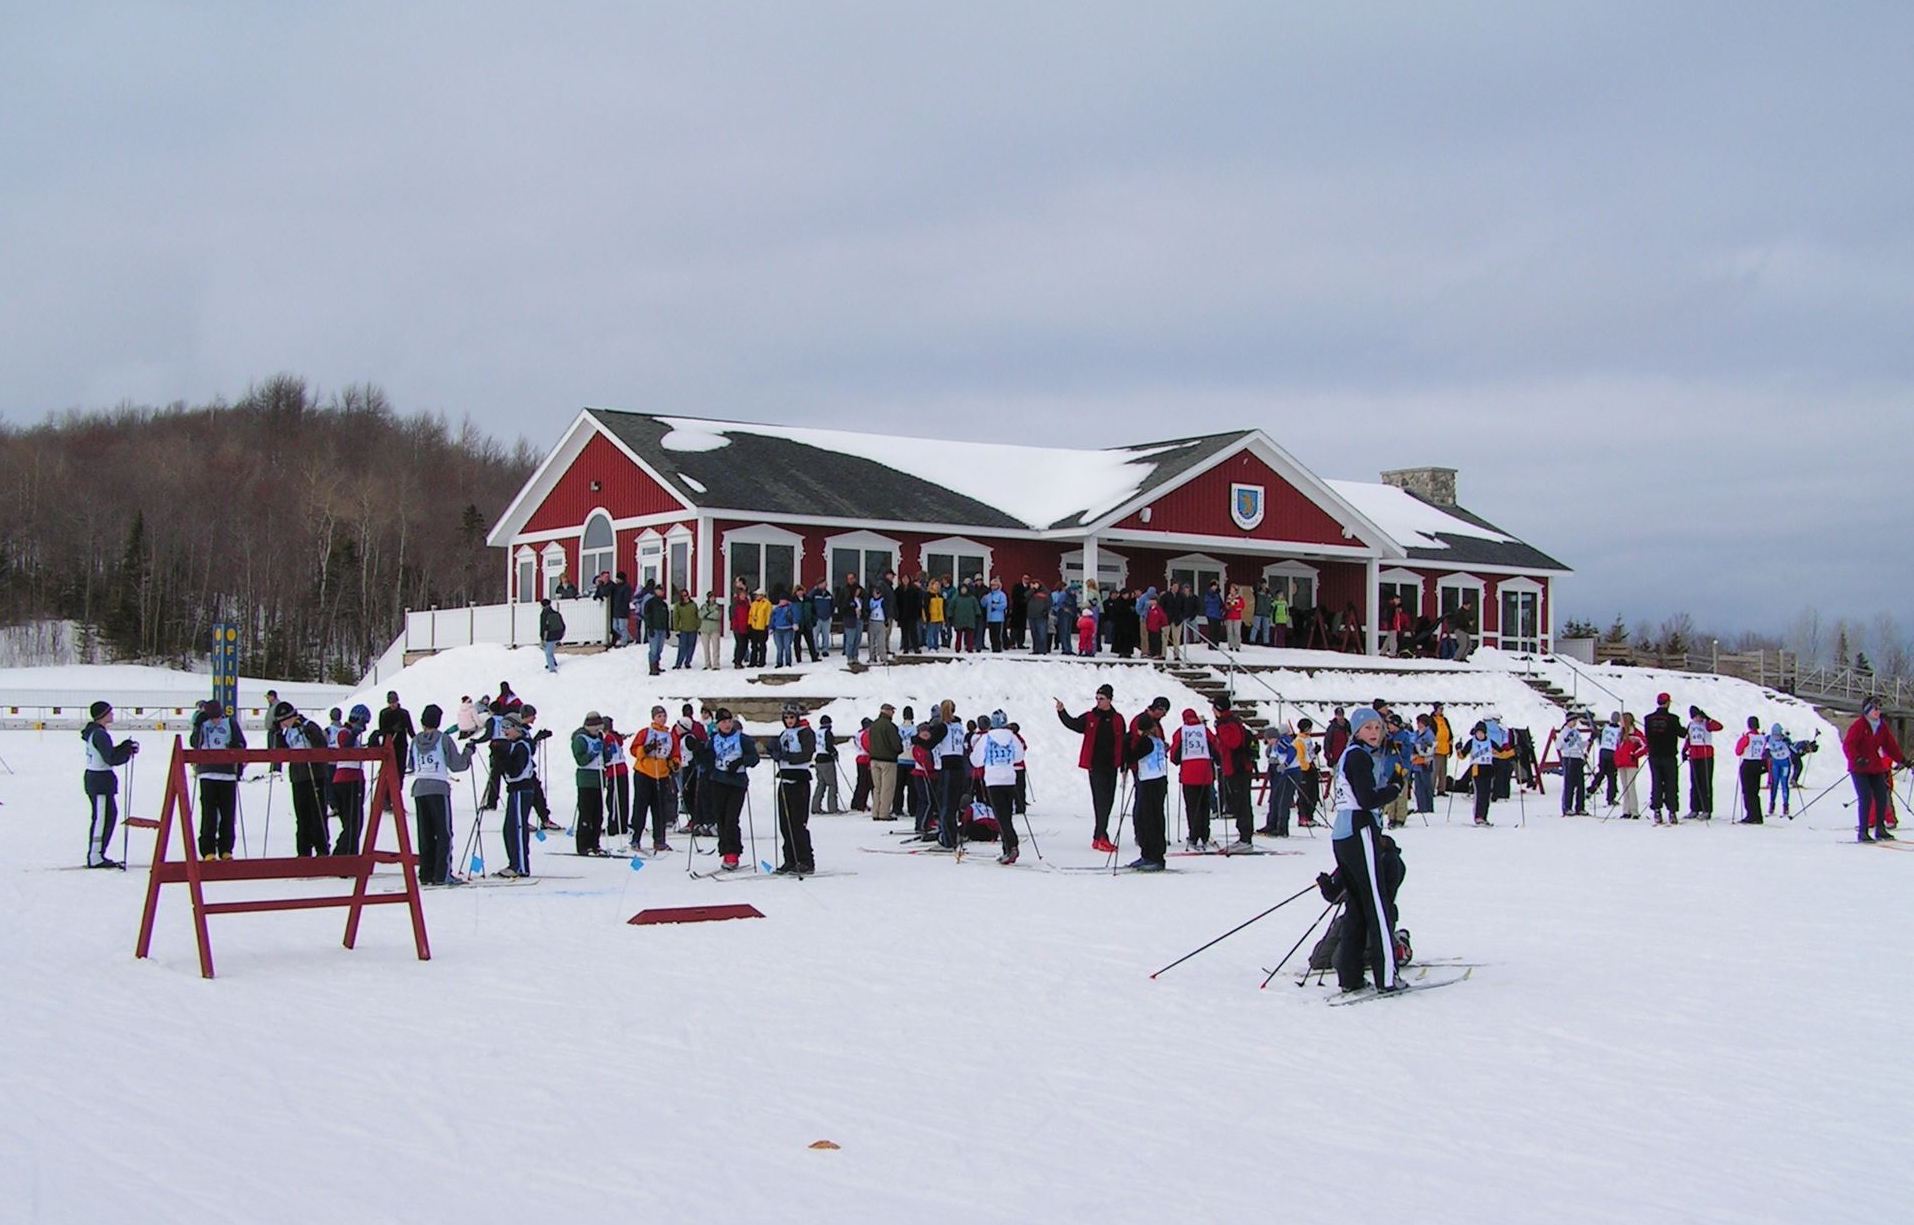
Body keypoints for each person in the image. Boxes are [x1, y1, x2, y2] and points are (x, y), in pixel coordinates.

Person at [1329, 708, 1407, 994]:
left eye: (1378, 727)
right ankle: (1387, 976)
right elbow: (1366, 799)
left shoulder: (1350, 754)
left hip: (1343, 833)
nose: (1374, 732)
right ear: (1356, 731)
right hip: (1359, 829)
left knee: (1357, 906)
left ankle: (1349, 975)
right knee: (1376, 904)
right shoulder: (1359, 756)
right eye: (1368, 728)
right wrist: (1395, 788)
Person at [408, 703, 473, 885]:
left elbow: (411, 764)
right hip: (438, 788)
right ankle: (442, 874)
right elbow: (457, 765)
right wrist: (468, 753)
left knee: (425, 833)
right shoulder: (443, 739)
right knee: (443, 833)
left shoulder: (414, 741)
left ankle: (426, 874)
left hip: (419, 788)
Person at [1057, 684, 1127, 852]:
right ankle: (1101, 835)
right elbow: (1073, 724)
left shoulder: (1118, 718)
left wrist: (1124, 764)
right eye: (1096, 698)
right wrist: (1062, 712)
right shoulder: (1090, 717)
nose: (1098, 701)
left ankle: (1099, 835)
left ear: (1109, 699)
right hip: (1096, 766)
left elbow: (1123, 741)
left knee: (1108, 801)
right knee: (1100, 801)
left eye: (1101, 699)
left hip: (1111, 765)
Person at [688, 708, 758, 870]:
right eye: (723, 722)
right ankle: (726, 852)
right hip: (718, 782)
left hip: (737, 783)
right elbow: (706, 762)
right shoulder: (714, 740)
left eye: (729, 721)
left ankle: (733, 854)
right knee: (720, 818)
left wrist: (741, 761)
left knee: (731, 819)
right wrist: (698, 751)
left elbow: (754, 758)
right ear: (718, 724)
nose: (727, 725)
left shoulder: (742, 739)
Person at [80, 700, 140, 868]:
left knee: (108, 815)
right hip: (100, 780)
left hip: (99, 779)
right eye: (110, 712)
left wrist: (124, 748)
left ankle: (98, 853)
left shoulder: (96, 732)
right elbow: (111, 758)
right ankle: (95, 856)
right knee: (102, 818)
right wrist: (126, 751)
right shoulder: (100, 734)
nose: (112, 715)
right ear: (102, 715)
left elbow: (109, 753)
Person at [1843, 697, 1907, 842]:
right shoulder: (1859, 726)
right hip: (1859, 768)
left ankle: (1880, 828)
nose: (1878, 712)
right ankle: (1863, 831)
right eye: (1875, 709)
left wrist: (1902, 760)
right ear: (1867, 711)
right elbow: (1848, 745)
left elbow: (1890, 746)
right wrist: (1857, 758)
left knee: (1881, 796)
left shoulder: (1881, 726)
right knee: (1865, 798)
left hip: (1875, 767)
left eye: (1879, 708)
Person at [273, 701, 331, 856]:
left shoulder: (308, 726)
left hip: (314, 775)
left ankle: (322, 848)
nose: (283, 725)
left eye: (283, 721)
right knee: (302, 815)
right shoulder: (288, 732)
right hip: (298, 777)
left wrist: (310, 736)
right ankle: (303, 851)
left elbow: (321, 745)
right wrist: (278, 734)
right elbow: (281, 752)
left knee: (317, 813)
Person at [191, 699, 246, 860]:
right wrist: (198, 727)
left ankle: (226, 849)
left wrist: (236, 751)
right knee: (209, 814)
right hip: (207, 773)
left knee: (227, 813)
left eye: (217, 716)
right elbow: (195, 743)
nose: (215, 720)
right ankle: (208, 850)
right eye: (212, 717)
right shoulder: (203, 724)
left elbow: (241, 743)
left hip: (227, 773)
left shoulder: (230, 723)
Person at [768, 703, 817, 874]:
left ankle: (805, 860)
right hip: (785, 780)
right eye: (786, 718)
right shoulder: (784, 734)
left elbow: (806, 755)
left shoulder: (806, 733)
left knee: (798, 823)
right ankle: (789, 858)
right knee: (785, 824)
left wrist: (785, 756)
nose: (789, 721)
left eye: (792, 718)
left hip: (799, 781)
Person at [1119, 711, 1169, 869]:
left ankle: (1152, 856)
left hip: (1150, 783)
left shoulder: (1147, 742)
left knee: (1148, 819)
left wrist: (1127, 742)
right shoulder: (1158, 741)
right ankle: (1150, 854)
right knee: (1152, 818)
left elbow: (1130, 756)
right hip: (1156, 781)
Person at [633, 704, 681, 853]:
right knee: (640, 806)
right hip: (644, 772)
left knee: (659, 809)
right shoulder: (646, 732)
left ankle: (659, 840)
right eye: (659, 716)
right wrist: (645, 749)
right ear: (653, 718)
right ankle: (636, 837)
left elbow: (675, 754)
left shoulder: (670, 735)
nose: (662, 719)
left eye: (664, 716)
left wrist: (674, 763)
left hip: (661, 774)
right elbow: (634, 749)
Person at [495, 714, 539, 877]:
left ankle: (520, 866)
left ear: (517, 728)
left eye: (508, 727)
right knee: (509, 829)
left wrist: (502, 758)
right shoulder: (514, 745)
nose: (504, 731)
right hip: (515, 790)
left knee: (517, 828)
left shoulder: (521, 746)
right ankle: (514, 863)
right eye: (503, 727)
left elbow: (515, 772)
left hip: (522, 789)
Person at [1169, 706, 1217, 850]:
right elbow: (1215, 746)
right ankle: (1205, 835)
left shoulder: (1181, 732)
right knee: (1204, 805)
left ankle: (1194, 835)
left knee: (1192, 806)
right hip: (1205, 774)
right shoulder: (1205, 730)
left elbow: (1174, 756)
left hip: (1189, 775)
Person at [330, 704, 371, 854]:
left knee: (352, 822)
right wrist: (354, 733)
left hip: (350, 779)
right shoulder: (343, 732)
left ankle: (349, 854)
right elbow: (345, 747)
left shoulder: (349, 734)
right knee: (353, 822)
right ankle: (341, 855)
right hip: (349, 780)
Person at [1642, 692, 1687, 823]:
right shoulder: (1673, 719)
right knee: (1671, 783)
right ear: (1668, 703)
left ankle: (1657, 810)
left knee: (1656, 782)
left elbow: (1648, 736)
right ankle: (1672, 811)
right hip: (1669, 755)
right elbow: (1682, 734)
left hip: (1654, 755)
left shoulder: (1648, 719)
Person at [571, 711, 608, 856]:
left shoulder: (599, 737)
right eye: (596, 727)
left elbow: (603, 755)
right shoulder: (580, 739)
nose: (599, 730)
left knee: (597, 815)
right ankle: (583, 845)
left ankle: (595, 843)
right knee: (586, 814)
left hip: (598, 779)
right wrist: (593, 753)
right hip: (586, 780)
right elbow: (580, 760)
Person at [1683, 705, 1723, 820]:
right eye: (1695, 717)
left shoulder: (1706, 723)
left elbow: (1719, 727)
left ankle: (1706, 809)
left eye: (1698, 716)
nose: (1697, 719)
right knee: (1694, 783)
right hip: (1694, 756)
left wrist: (1708, 718)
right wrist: (1684, 751)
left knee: (1705, 783)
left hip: (1706, 755)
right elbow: (1688, 738)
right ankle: (1694, 808)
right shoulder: (1691, 725)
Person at [867, 703, 904, 822]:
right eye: (892, 711)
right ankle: (884, 813)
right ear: (887, 711)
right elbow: (896, 744)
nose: (893, 713)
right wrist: (898, 750)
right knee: (887, 788)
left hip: (874, 759)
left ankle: (875, 811)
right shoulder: (890, 726)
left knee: (877, 787)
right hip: (888, 761)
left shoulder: (874, 725)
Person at [373, 690, 416, 777]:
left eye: (394, 702)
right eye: (390, 702)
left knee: (400, 771)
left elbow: (410, 730)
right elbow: (382, 731)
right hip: (388, 745)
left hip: (401, 746)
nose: (393, 704)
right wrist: (392, 729)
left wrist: (416, 740)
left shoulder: (404, 714)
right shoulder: (384, 713)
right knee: (388, 771)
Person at [1733, 717, 1767, 824]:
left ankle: (1751, 815)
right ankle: (1758, 815)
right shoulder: (1762, 737)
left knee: (1747, 791)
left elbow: (1738, 751)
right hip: (1758, 763)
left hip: (1748, 763)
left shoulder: (1747, 737)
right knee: (1755, 792)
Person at [1615, 712, 1647, 819]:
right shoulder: (1620, 733)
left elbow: (1645, 746)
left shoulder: (1636, 734)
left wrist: (1635, 755)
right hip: (1621, 763)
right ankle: (1626, 810)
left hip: (1631, 763)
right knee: (1624, 787)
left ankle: (1634, 810)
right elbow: (1617, 747)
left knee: (1631, 786)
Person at [1465, 722, 1496, 826]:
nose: (1479, 735)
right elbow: (1462, 755)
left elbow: (1501, 753)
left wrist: (1514, 752)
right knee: (1479, 793)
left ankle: (1484, 816)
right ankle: (1478, 817)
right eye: (1477, 733)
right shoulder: (1471, 742)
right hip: (1476, 770)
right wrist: (1458, 749)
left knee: (1487, 795)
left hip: (1488, 770)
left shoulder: (1490, 742)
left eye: (1481, 733)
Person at [1558, 714, 1590, 816]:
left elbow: (1580, 744)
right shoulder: (1564, 732)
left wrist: (1589, 741)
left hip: (1578, 758)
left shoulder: (1576, 732)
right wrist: (1566, 739)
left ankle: (1580, 807)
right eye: (1573, 721)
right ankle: (1567, 807)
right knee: (1569, 784)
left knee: (1580, 784)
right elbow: (1558, 746)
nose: (1575, 723)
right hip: (1569, 758)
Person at [811, 714, 842, 814]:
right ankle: (833, 808)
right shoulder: (827, 732)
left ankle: (815, 807)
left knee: (821, 784)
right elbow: (829, 746)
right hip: (827, 760)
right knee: (832, 785)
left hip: (818, 759)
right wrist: (834, 753)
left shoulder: (817, 732)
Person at [1591, 711, 1623, 806]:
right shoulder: (1619, 730)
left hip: (1603, 750)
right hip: (1612, 752)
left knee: (1601, 772)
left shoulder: (1605, 727)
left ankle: (1592, 788)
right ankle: (1611, 797)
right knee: (1612, 776)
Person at [1767, 724, 1794, 817]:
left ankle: (1785, 806)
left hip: (1785, 764)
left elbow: (1794, 749)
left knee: (1784, 783)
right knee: (1774, 783)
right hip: (1776, 763)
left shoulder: (1785, 740)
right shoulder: (1769, 738)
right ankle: (1771, 805)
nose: (1776, 737)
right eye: (1774, 735)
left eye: (1778, 735)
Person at [670, 589, 700, 670]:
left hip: (693, 628)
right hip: (683, 629)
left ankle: (688, 662)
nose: (685, 597)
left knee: (691, 647)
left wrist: (698, 626)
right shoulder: (678, 605)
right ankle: (678, 663)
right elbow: (676, 617)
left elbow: (697, 616)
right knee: (682, 647)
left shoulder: (693, 605)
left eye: (686, 595)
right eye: (683, 595)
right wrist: (676, 628)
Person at [699, 590, 724, 670]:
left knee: (716, 648)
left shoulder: (718, 607)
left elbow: (717, 616)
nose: (712, 598)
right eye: (711, 597)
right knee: (705, 648)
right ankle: (707, 664)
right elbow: (700, 615)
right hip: (705, 629)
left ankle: (716, 664)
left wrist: (707, 615)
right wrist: (709, 614)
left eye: (713, 597)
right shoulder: (703, 606)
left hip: (715, 629)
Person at [539, 597, 566, 672]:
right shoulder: (556, 613)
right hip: (558, 634)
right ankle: (553, 662)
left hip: (549, 636)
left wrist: (543, 639)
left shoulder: (544, 615)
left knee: (548, 653)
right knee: (549, 650)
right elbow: (563, 625)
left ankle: (552, 668)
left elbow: (543, 627)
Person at [730, 583, 753, 669]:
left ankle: (739, 660)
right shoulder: (735, 603)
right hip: (738, 628)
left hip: (746, 627)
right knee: (740, 644)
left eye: (744, 594)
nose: (743, 596)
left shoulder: (747, 603)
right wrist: (735, 626)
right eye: (742, 594)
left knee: (744, 645)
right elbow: (733, 616)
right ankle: (737, 661)